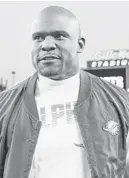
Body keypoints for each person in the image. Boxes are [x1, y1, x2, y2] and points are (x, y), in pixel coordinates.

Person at [0, 5, 129, 178]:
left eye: (59, 36)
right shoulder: (5, 106)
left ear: (80, 44)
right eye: (38, 38)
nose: (46, 45)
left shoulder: (118, 101)